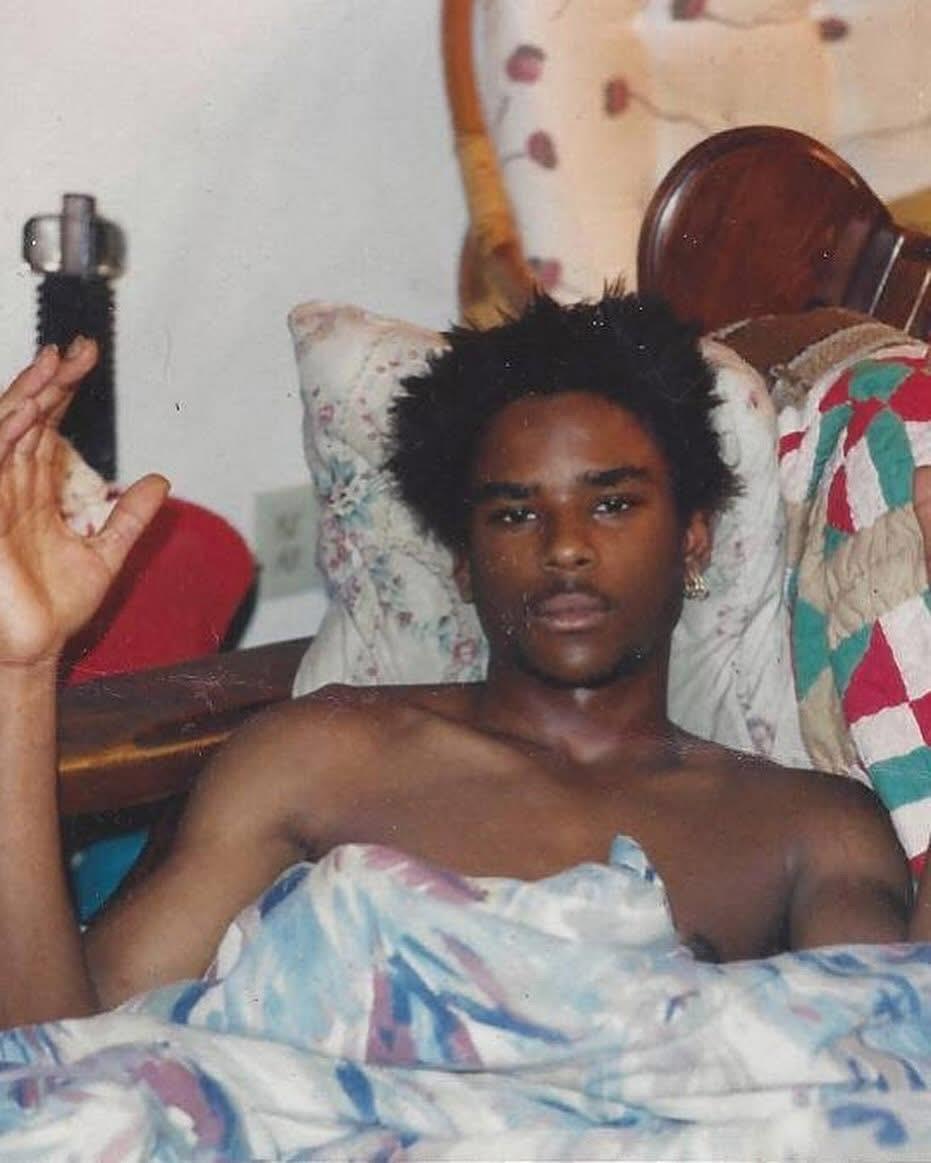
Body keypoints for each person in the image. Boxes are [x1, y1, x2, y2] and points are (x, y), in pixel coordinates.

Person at [0, 291, 928, 1032]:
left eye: (611, 505)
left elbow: (897, 1061)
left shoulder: (805, 827)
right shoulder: (316, 758)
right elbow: (66, 1054)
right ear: (462, 556)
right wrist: (21, 670)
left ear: (692, 539)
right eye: (515, 513)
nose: (564, 547)